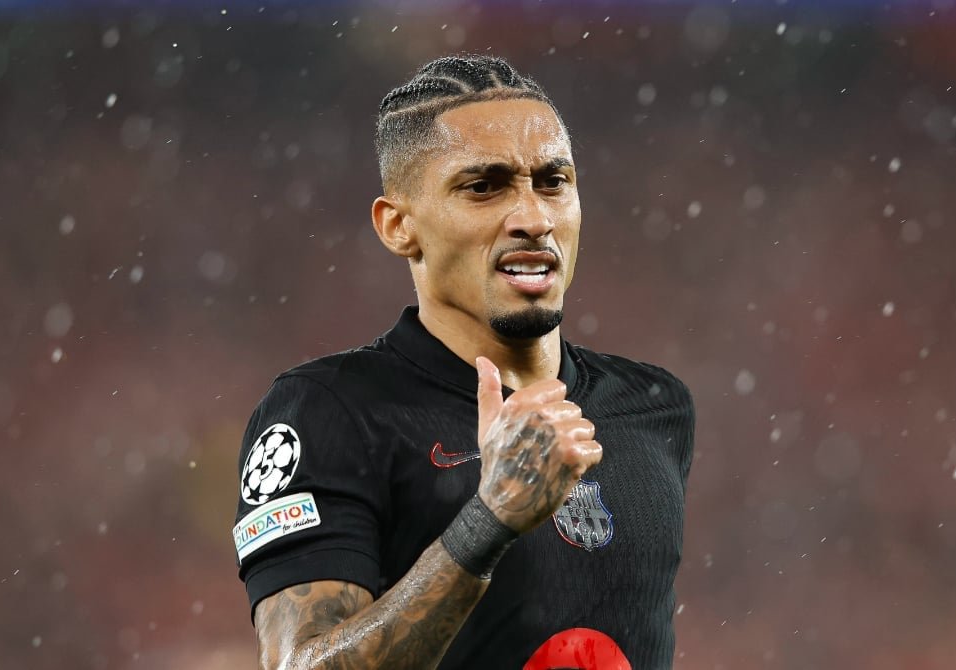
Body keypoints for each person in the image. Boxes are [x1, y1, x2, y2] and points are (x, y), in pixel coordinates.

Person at [232, 54, 695, 669]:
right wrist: (489, 521)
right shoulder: (328, 413)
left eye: (553, 181)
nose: (534, 218)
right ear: (398, 225)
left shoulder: (655, 406)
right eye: (484, 187)